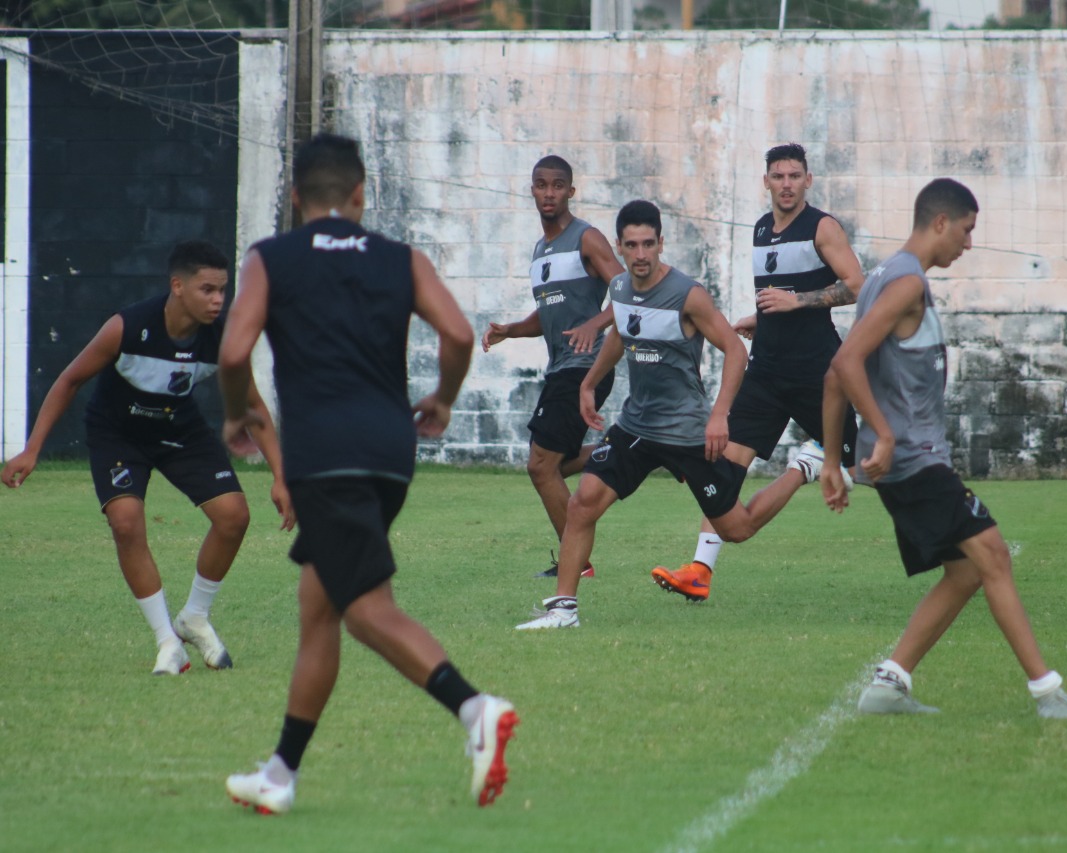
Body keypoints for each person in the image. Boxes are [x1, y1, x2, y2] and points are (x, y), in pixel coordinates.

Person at [219, 133, 518, 815]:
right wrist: (442, 398)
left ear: (295, 197)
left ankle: (475, 709)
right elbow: (461, 335)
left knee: (365, 610)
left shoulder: (270, 258)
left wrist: (235, 415)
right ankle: (280, 773)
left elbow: (234, 350)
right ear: (360, 196)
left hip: (326, 454)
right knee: (318, 605)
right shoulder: (401, 258)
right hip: (388, 448)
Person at [820, 177, 1067, 719]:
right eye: (966, 230)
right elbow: (843, 366)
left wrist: (830, 460)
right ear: (940, 222)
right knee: (992, 556)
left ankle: (889, 684)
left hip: (909, 461)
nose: (968, 243)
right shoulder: (905, 284)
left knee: (966, 571)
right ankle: (1047, 693)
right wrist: (885, 434)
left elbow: (834, 376)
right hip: (911, 461)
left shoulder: (882, 280)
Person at [516, 200, 815, 630]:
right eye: (632, 245)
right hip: (636, 427)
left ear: (661, 243)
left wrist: (719, 416)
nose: (640, 255)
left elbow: (735, 350)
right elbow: (621, 330)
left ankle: (803, 466)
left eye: (648, 244)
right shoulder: (619, 288)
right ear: (619, 246)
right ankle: (563, 610)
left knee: (737, 528)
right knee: (582, 505)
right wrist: (588, 382)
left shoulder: (687, 294)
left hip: (688, 432)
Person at [0, 241, 292, 676]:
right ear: (178, 286)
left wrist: (281, 476)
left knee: (234, 516)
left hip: (179, 429)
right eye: (207, 289)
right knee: (126, 522)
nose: (218, 300)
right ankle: (166, 642)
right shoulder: (127, 327)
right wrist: (33, 448)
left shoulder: (224, 338)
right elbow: (69, 380)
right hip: (118, 434)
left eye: (222, 290)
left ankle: (194, 617)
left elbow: (252, 407)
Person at [650, 143, 865, 602]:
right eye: (778, 176)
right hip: (766, 371)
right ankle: (699, 569)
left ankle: (958, 544)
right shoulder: (762, 228)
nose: (786, 184)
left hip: (817, 374)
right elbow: (780, 292)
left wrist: (795, 303)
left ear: (808, 180)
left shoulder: (822, 227)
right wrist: (763, 318)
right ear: (765, 181)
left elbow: (857, 285)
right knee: (722, 469)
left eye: (794, 176)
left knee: (861, 467)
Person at [481, 155, 623, 579]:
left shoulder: (588, 238)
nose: (549, 193)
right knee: (553, 467)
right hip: (561, 367)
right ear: (532, 190)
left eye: (557, 185)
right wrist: (511, 329)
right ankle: (624, 451)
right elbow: (549, 314)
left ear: (570, 192)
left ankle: (577, 564)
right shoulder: (540, 251)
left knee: (539, 466)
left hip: (587, 366)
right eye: (541, 185)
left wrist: (595, 323)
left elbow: (629, 291)